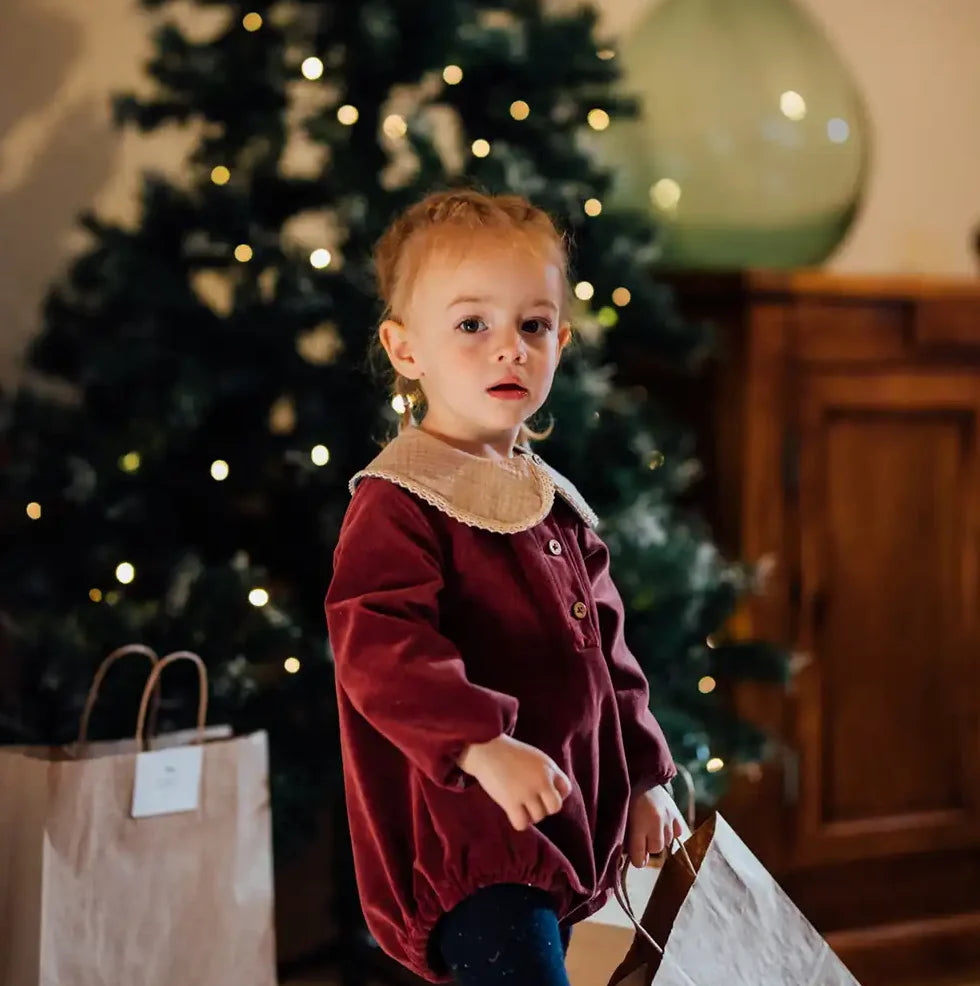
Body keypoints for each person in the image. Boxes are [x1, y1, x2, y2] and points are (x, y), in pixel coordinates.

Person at [324, 188, 684, 986]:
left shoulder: (551, 502)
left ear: (561, 337)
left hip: (555, 823)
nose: (509, 349)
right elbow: (381, 652)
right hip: (472, 844)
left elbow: (610, 660)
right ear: (405, 348)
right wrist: (481, 745)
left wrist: (645, 778)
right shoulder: (400, 500)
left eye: (533, 325)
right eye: (471, 324)